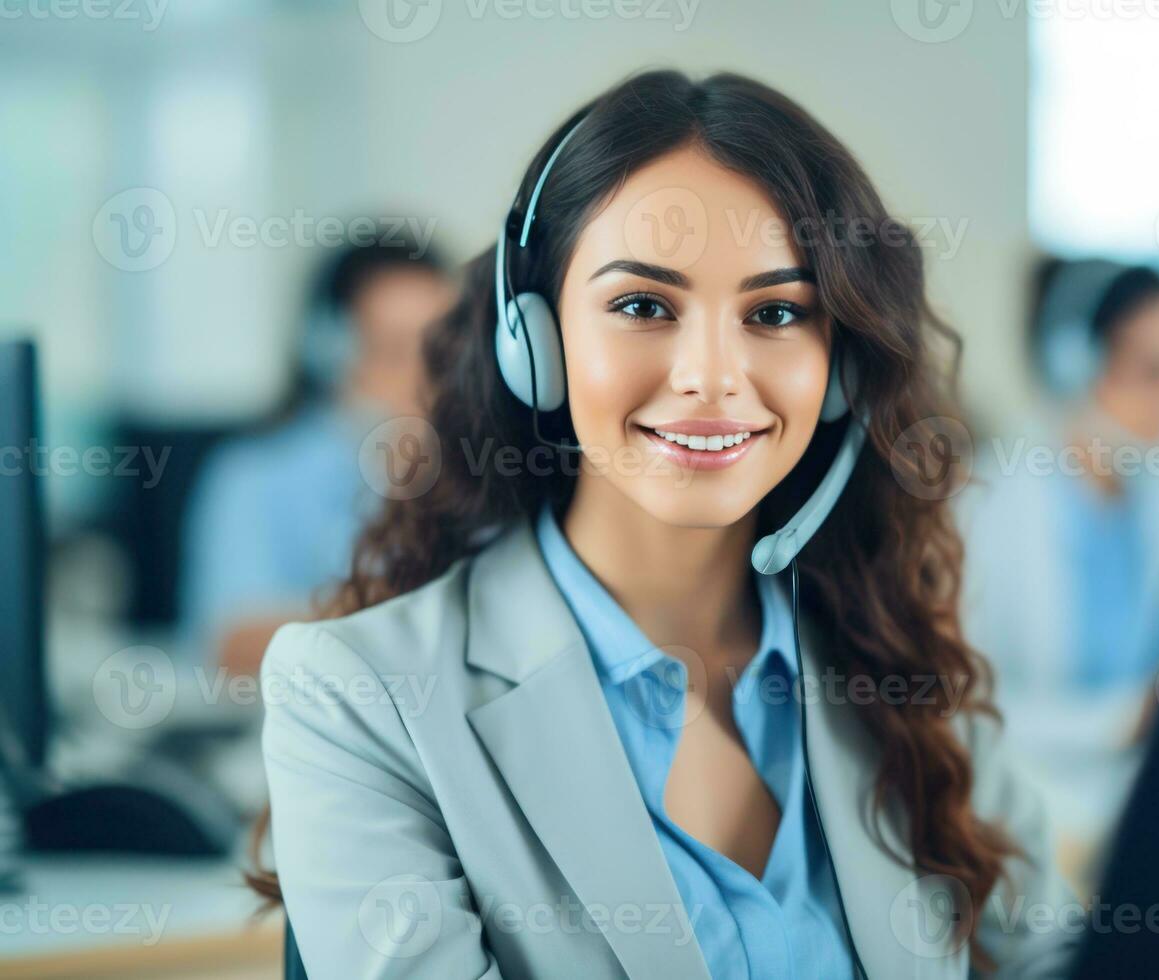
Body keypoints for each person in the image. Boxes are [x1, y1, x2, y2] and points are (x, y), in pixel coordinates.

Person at [249, 70, 1075, 979]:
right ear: (535, 341)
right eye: (644, 306)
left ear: (838, 368)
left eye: (776, 313)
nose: (711, 376)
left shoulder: (901, 667)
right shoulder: (359, 699)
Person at [957, 257, 1159, 881]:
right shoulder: (987, 505)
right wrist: (1119, 720)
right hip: (1024, 803)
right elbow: (954, 709)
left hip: (1146, 792)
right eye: (1151, 372)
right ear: (1076, 367)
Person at [178, 230, 455, 676]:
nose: (425, 382)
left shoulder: (478, 474)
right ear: (332, 356)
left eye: (441, 354)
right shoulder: (255, 473)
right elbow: (235, 645)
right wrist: (405, 605)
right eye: (395, 352)